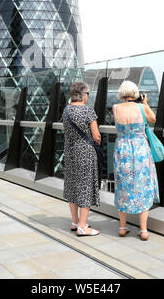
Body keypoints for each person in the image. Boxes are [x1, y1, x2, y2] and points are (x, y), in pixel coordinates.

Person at [113, 80, 160, 240]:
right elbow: (153, 119)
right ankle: (144, 230)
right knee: (143, 185)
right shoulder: (140, 107)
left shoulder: (115, 108)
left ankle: (122, 227)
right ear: (135, 93)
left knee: (123, 186)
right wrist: (145, 103)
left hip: (122, 150)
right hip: (140, 150)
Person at [62, 81, 101, 236]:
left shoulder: (66, 111)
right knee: (86, 187)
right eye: (88, 94)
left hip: (70, 152)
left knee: (72, 185)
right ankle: (83, 227)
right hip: (85, 153)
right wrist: (96, 141)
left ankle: (74, 221)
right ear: (84, 95)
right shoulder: (88, 111)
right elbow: (96, 135)